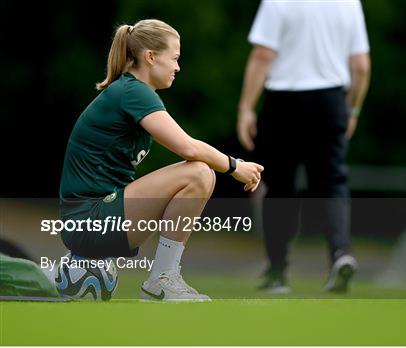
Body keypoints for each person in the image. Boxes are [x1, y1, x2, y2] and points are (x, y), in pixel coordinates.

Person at [59, 19, 264, 301]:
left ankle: (162, 278)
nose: (178, 67)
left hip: (93, 222)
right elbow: (188, 148)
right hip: (89, 220)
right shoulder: (133, 92)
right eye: (175, 58)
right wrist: (235, 166)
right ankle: (161, 280)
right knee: (199, 174)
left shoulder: (133, 91)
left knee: (200, 172)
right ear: (151, 57)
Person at [238, 1, 371, 293]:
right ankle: (340, 253)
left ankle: (277, 272)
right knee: (332, 181)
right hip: (331, 100)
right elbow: (361, 65)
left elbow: (263, 54)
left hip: (284, 101)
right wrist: (353, 110)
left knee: (280, 185)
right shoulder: (349, 3)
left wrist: (247, 106)